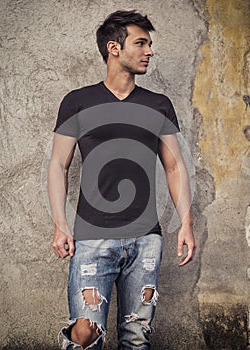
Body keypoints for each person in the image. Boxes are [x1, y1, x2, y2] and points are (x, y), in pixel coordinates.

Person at [48, 9, 196, 350]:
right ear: (114, 48)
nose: (149, 51)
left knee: (136, 337)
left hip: (146, 240)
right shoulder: (77, 101)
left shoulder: (158, 104)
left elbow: (174, 167)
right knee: (84, 336)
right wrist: (60, 224)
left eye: (150, 44)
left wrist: (185, 222)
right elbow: (58, 165)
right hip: (91, 239)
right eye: (141, 43)